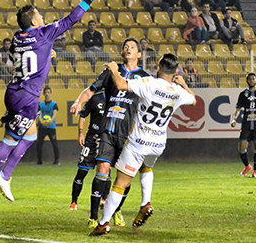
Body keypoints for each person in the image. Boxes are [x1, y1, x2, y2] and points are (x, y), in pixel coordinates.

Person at [0, 0, 110, 205]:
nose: (43, 17)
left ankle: (4, 177)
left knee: (30, 135)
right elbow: (72, 18)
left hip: (14, 91)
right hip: (27, 97)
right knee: (11, 140)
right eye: (39, 15)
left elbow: (19, 54)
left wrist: (45, 54)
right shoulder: (44, 33)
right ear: (35, 22)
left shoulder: (18, 37)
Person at [90, 54, 196, 236]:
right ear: (176, 71)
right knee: (146, 168)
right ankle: (145, 202)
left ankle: (103, 223)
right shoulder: (178, 92)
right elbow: (194, 101)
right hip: (158, 143)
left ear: (160, 68)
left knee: (120, 183)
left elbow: (122, 85)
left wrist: (114, 70)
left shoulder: (150, 83)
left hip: (138, 142)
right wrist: (184, 84)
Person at [70, 38, 151, 228]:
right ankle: (93, 216)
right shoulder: (110, 72)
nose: (128, 48)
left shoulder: (145, 78)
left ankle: (115, 210)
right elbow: (91, 90)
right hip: (108, 129)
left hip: (129, 134)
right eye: (125, 46)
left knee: (124, 178)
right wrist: (79, 102)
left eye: (132, 47)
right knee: (102, 170)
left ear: (139, 54)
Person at [70, 90, 105, 211]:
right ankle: (74, 201)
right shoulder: (95, 98)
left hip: (105, 141)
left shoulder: (115, 100)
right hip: (91, 139)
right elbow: (83, 115)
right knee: (82, 171)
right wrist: (80, 133)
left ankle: (103, 199)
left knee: (106, 172)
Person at [231, 73, 256, 178]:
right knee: (241, 147)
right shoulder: (243, 94)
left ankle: (255, 171)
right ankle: (247, 166)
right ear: (247, 81)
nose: (252, 80)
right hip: (246, 123)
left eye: (253, 79)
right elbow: (238, 108)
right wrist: (234, 119)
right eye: (250, 79)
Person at [36, 86, 60, 165]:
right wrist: (41, 122)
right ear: (43, 94)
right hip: (42, 127)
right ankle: (39, 161)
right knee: (39, 144)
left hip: (51, 127)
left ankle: (57, 160)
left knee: (54, 144)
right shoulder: (40, 104)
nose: (47, 94)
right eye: (46, 92)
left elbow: (55, 114)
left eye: (48, 92)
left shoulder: (54, 104)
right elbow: (39, 114)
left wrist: (50, 121)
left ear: (51, 93)